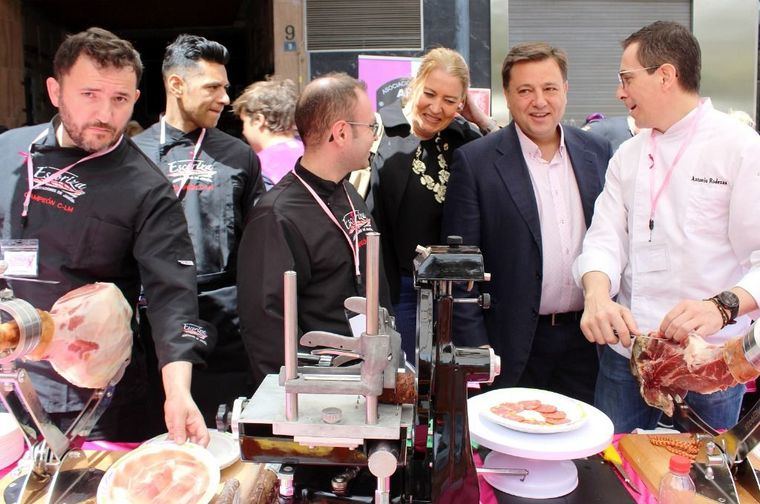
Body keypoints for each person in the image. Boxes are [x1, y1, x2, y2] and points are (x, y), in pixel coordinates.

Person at [0, 27, 213, 444]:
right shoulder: (7, 152)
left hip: (94, 395)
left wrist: (178, 391)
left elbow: (172, 296)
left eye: (119, 99)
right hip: (7, 382)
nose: (104, 114)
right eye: (89, 95)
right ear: (55, 91)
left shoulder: (146, 187)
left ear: (135, 99)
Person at [573, 21, 760, 432]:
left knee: (701, 483)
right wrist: (598, 295)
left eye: (626, 79)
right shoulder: (628, 154)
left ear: (666, 75)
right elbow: (604, 237)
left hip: (707, 360)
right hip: (627, 357)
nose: (619, 93)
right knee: (612, 471)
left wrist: (721, 306)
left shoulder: (740, 148)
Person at [441, 43, 612, 403]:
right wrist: (478, 353)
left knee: (582, 452)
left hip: (586, 344)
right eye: (525, 90)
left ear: (565, 89)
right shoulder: (476, 163)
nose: (539, 101)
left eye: (550, 88)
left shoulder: (596, 152)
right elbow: (460, 271)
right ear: (507, 94)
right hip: (512, 347)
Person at [133, 34, 264, 427]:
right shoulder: (133, 156)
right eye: (213, 87)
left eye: (225, 87)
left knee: (224, 433)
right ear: (176, 84)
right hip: (153, 321)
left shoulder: (239, 155)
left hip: (226, 320)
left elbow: (257, 242)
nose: (225, 98)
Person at [237, 73, 392, 389]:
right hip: (319, 389)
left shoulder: (349, 192)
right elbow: (267, 328)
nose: (375, 137)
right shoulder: (276, 215)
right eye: (370, 127)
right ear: (341, 133)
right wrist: (295, 402)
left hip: (367, 374)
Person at [368, 47, 497, 360]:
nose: (437, 108)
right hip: (397, 288)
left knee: (452, 383)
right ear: (415, 85)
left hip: (453, 292)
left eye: (450, 101)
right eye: (430, 93)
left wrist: (481, 120)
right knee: (406, 382)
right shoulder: (379, 131)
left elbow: (507, 162)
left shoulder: (465, 137)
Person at [232, 78, 303, 190]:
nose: (243, 131)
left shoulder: (256, 165)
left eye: (244, 122)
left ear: (258, 120)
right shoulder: (314, 152)